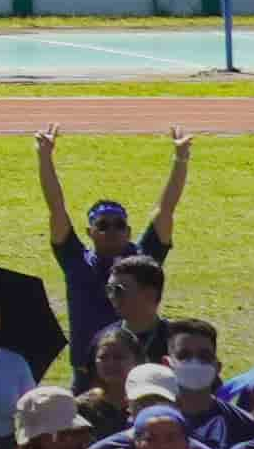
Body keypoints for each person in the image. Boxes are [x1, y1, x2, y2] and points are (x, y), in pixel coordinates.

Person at [34, 130, 188, 384]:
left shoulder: (143, 260)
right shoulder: (76, 261)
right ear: (89, 233)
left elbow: (166, 209)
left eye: (119, 225)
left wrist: (181, 158)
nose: (112, 231)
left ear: (128, 231)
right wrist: (44, 157)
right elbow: (56, 207)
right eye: (103, 226)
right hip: (87, 376)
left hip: (138, 373)